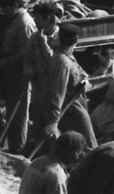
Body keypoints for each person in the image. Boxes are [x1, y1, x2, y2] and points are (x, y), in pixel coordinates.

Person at [26, 15, 88, 157]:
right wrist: (53, 121)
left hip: (74, 105)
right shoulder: (62, 63)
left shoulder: (67, 57)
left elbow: (81, 72)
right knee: (87, 146)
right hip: (70, 110)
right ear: (76, 40)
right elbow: (56, 94)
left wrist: (85, 81)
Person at [0, 0, 37, 149]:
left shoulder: (25, 23)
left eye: (5, 8)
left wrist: (1, 64)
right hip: (11, 73)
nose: (3, 12)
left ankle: (19, 151)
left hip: (20, 75)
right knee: (11, 112)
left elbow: (25, 54)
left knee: (19, 115)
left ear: (15, 6)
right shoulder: (15, 21)